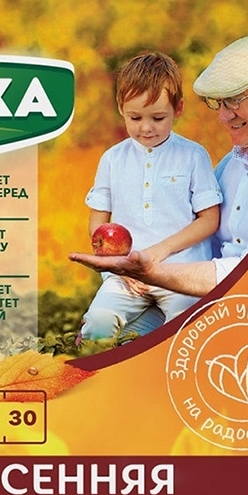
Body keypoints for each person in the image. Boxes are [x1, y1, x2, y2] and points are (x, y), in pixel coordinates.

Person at [71, 33, 248, 298]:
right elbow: (201, 244)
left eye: (234, 100)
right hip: (204, 303)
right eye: (218, 103)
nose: (223, 116)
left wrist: (151, 271)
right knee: (104, 322)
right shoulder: (231, 165)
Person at [79, 51, 221, 339]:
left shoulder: (193, 155)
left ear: (178, 108)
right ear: (121, 108)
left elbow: (209, 220)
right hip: (126, 275)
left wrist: (160, 252)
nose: (146, 127)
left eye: (158, 117)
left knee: (187, 328)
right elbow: (98, 220)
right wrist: (118, 267)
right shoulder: (112, 159)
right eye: (135, 117)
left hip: (181, 271)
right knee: (98, 323)